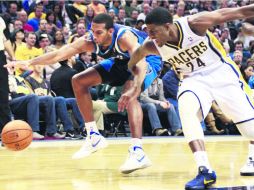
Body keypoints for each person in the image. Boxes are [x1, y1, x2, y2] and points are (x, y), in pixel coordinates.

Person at [5, 13, 162, 174]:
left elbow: (140, 63)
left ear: (110, 32)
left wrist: (134, 88)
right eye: (92, 31)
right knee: (78, 80)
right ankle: (93, 136)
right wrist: (30, 62)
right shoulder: (90, 40)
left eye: (99, 32)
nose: (94, 36)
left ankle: (138, 151)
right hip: (120, 61)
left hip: (147, 60)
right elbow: (60, 54)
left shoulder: (124, 37)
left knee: (129, 92)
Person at [119, 6, 254, 190]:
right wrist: (132, 74)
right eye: (147, 32)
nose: (150, 36)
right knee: (186, 109)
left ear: (168, 26)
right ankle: (205, 170)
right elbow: (136, 56)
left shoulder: (195, 23)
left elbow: (239, 12)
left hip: (220, 72)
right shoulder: (152, 45)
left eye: (153, 31)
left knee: (249, 131)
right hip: (192, 79)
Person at [0, 15, 15, 134]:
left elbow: (6, 40)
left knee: (3, 95)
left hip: (1, 57)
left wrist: (13, 58)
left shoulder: (1, 20)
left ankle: (6, 132)